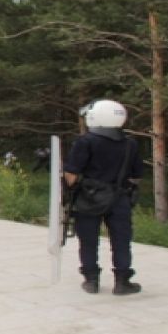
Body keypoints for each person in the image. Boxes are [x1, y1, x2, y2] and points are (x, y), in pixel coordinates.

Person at [64, 99, 143, 295]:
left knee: (89, 239)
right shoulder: (130, 144)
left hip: (89, 197)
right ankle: (122, 281)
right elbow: (136, 176)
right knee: (121, 240)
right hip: (120, 197)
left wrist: (71, 191)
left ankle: (91, 280)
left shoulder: (85, 142)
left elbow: (71, 175)